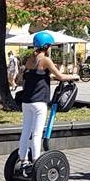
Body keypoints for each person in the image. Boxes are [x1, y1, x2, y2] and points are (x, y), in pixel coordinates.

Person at [15, 32, 78, 173]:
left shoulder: (30, 59)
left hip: (27, 101)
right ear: (46, 46)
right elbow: (60, 76)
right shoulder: (45, 60)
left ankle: (23, 159)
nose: (50, 48)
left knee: (26, 131)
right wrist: (74, 76)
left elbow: (26, 77)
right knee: (37, 133)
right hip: (39, 102)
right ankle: (36, 162)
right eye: (50, 46)